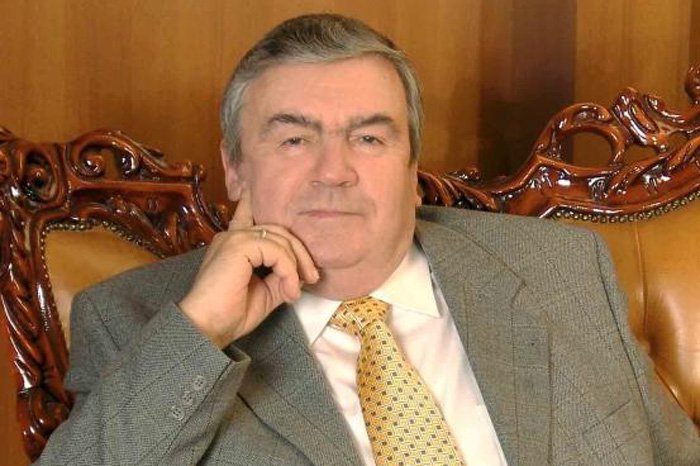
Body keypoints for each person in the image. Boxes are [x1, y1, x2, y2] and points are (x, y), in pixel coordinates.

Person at [36, 13, 698, 466]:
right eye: (294, 139)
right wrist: (203, 330)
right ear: (234, 167)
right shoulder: (137, 321)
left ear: (412, 167)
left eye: (370, 137)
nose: (334, 171)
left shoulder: (560, 270)